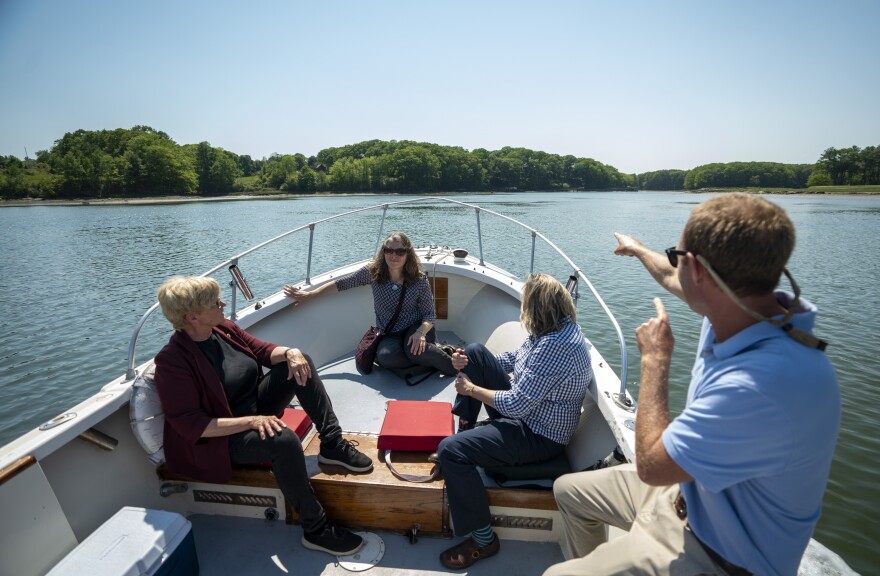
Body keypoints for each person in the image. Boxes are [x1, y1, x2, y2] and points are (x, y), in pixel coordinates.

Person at [545, 193, 840, 576]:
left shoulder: (758, 385)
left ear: (699, 271)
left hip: (722, 555)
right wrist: (637, 249)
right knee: (568, 491)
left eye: (676, 253)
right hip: (692, 495)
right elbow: (672, 276)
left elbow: (652, 466)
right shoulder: (742, 306)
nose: (672, 264)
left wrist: (654, 360)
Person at [153, 276, 373, 557]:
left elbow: (262, 351)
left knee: (299, 363)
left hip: (253, 410)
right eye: (214, 303)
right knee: (283, 440)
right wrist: (252, 422)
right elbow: (191, 425)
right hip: (221, 438)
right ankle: (316, 529)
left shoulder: (223, 329)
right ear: (192, 316)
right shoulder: (172, 361)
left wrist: (291, 352)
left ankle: (332, 444)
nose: (222, 304)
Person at [435, 273, 592, 569]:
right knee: (475, 352)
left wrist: (472, 389)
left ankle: (484, 540)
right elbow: (516, 359)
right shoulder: (552, 330)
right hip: (529, 416)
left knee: (450, 451)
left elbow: (517, 405)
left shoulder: (555, 346)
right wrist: (469, 363)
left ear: (537, 309)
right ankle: (467, 431)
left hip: (538, 435)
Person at [284, 231, 455, 375]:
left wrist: (420, 333)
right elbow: (342, 284)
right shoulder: (373, 272)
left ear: (408, 254)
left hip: (417, 328)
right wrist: (311, 295)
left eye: (400, 252)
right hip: (391, 333)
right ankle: (430, 355)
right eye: (389, 250)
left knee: (413, 350)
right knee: (385, 357)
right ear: (383, 252)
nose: (394, 255)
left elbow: (429, 315)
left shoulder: (418, 279)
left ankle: (453, 365)